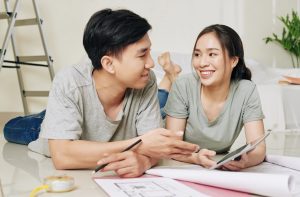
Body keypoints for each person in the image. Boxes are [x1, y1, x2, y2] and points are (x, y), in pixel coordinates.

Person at [3, 9, 199, 178]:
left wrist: (145, 162)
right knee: (10, 129)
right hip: (47, 129)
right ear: (108, 64)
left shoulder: (146, 82)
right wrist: (139, 145)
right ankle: (45, 117)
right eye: (142, 54)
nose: (151, 63)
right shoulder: (69, 82)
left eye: (149, 53)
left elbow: (154, 146)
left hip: (88, 129)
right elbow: (62, 156)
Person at [164, 24, 266, 171]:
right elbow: (172, 145)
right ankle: (169, 76)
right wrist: (195, 158)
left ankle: (170, 74)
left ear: (233, 61)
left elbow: (258, 147)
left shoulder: (247, 91)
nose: (202, 63)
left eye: (212, 54)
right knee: (160, 97)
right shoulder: (183, 85)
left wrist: (246, 161)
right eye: (197, 54)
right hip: (162, 122)